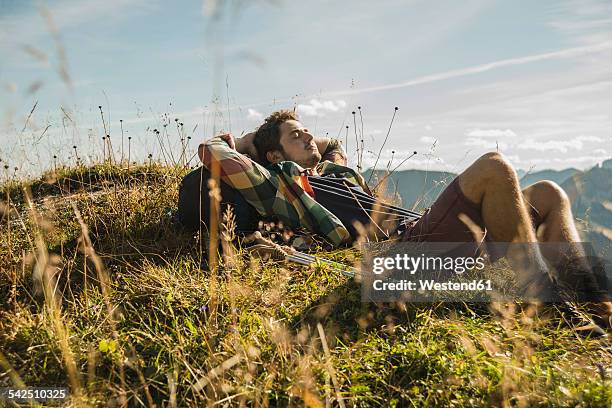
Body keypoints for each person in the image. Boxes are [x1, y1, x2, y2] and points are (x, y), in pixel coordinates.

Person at [179, 109, 611, 330]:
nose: (309, 136)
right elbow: (216, 155)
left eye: (306, 130)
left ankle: (594, 307)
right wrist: (254, 140)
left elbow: (330, 143)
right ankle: (544, 305)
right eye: (296, 136)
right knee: (494, 168)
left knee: (549, 195)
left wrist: (297, 134)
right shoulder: (282, 187)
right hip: (398, 256)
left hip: (430, 234)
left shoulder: (333, 171)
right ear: (274, 157)